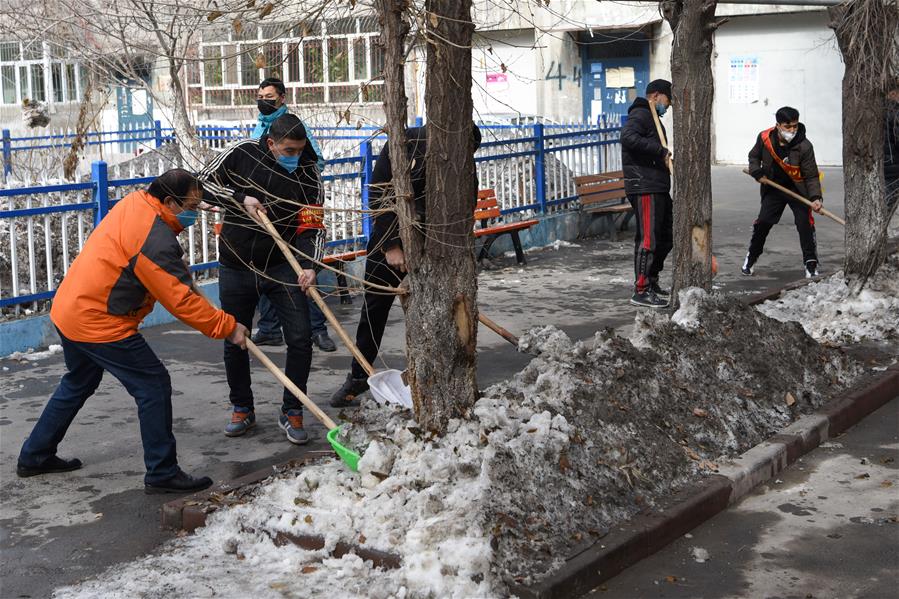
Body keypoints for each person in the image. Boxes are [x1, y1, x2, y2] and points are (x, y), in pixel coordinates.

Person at [16, 170, 248, 494]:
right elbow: (179, 300)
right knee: (153, 385)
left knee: (79, 381)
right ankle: (162, 472)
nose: (194, 213)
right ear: (170, 201)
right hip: (99, 321)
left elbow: (170, 276)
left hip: (71, 308)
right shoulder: (155, 239)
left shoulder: (138, 202)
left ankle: (35, 454)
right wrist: (228, 327)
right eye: (191, 206)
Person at [329, 124, 482, 407]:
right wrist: (392, 245)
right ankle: (358, 376)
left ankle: (440, 377)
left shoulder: (464, 165)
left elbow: (465, 210)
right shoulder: (406, 144)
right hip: (390, 243)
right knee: (374, 309)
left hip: (436, 251)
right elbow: (379, 192)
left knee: (438, 314)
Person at [200, 113, 323, 444]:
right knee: (236, 338)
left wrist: (309, 265)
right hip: (237, 264)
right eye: (288, 150)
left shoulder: (309, 173)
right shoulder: (243, 153)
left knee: (300, 338)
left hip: (282, 267)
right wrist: (240, 199)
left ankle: (292, 409)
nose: (294, 156)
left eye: (299, 149)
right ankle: (242, 407)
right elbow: (201, 183)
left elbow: (312, 223)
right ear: (271, 143)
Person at [250, 77, 336, 352]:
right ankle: (269, 329)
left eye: (270, 98)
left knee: (302, 269)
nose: (264, 102)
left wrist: (293, 185)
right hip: (266, 210)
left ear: (282, 98)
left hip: (295, 210)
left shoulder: (295, 128)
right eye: (260, 96)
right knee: (266, 270)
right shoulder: (258, 129)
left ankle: (317, 329)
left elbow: (315, 162)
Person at [743, 106, 823, 279]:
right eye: (788, 127)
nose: (792, 130)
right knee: (763, 222)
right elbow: (754, 157)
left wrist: (816, 197)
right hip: (773, 188)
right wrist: (757, 171)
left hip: (798, 190)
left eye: (795, 125)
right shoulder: (765, 138)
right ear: (778, 125)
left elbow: (811, 176)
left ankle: (810, 262)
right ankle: (751, 257)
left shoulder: (804, 145)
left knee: (804, 225)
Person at [620, 78, 674, 309]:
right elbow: (628, 137)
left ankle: (651, 280)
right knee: (648, 239)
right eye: (668, 100)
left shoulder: (653, 118)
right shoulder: (641, 114)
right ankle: (641, 290)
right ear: (656, 96)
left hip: (657, 185)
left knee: (666, 236)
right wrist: (659, 150)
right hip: (644, 186)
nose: (668, 106)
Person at [885, 85, 899, 210]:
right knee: (886, 206)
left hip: (886, 167)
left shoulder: (876, 110)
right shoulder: (894, 111)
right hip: (893, 168)